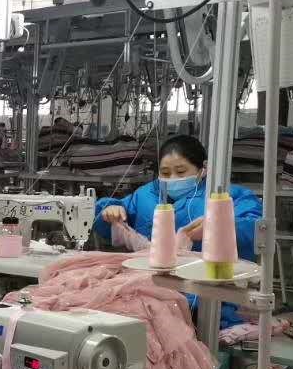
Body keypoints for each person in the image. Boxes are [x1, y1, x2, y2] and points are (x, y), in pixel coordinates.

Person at [94, 134, 262, 327]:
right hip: (148, 288)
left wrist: (219, 227)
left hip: (205, 296)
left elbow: (254, 228)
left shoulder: (226, 196)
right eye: (165, 173)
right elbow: (109, 223)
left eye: (181, 172)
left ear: (203, 169)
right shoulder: (146, 195)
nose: (172, 178)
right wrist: (111, 209)